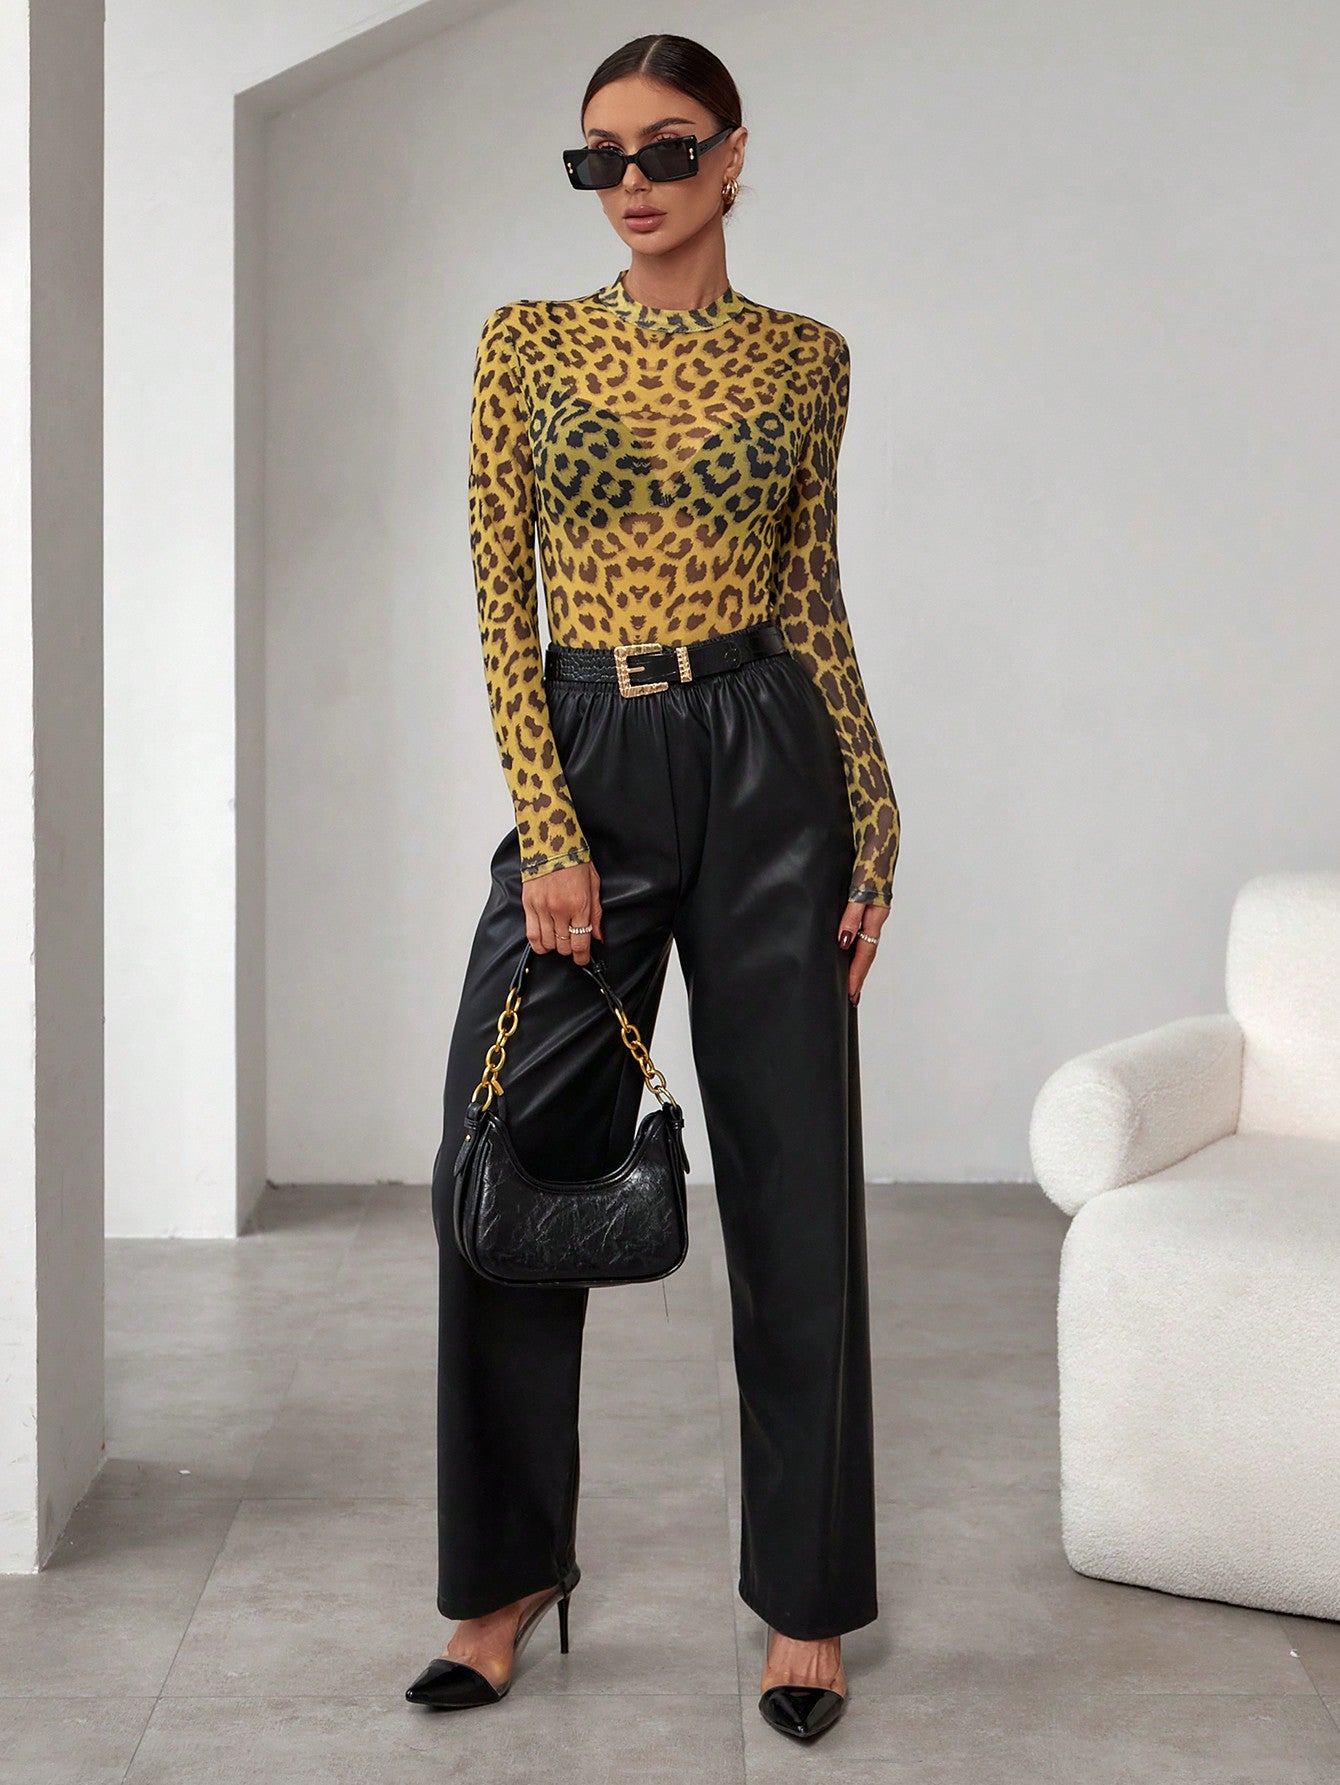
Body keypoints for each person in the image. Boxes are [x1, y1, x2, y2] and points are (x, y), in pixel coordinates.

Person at [405, 31, 901, 1744]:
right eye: (600, 157)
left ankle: (807, 1600)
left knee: (794, 1179)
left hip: (770, 759)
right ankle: (504, 1576)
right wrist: (548, 825)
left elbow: (813, 593)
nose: (633, 182)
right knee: (505, 1149)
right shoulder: (526, 345)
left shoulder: (807, 358)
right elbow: (500, 599)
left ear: (734, 155)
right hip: (591, 756)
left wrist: (877, 815)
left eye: (669, 147)